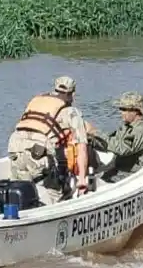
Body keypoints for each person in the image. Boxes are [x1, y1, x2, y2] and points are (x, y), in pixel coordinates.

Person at [7, 75, 90, 203]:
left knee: (19, 189)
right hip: (38, 151)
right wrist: (82, 179)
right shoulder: (71, 111)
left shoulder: (37, 100)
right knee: (54, 193)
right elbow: (82, 146)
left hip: (14, 147)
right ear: (72, 94)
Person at [88, 91, 143, 182]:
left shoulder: (141, 131)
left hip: (133, 175)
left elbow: (123, 149)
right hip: (118, 169)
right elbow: (111, 143)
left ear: (136, 111)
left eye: (124, 109)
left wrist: (96, 133)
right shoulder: (127, 127)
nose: (121, 112)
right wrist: (91, 140)